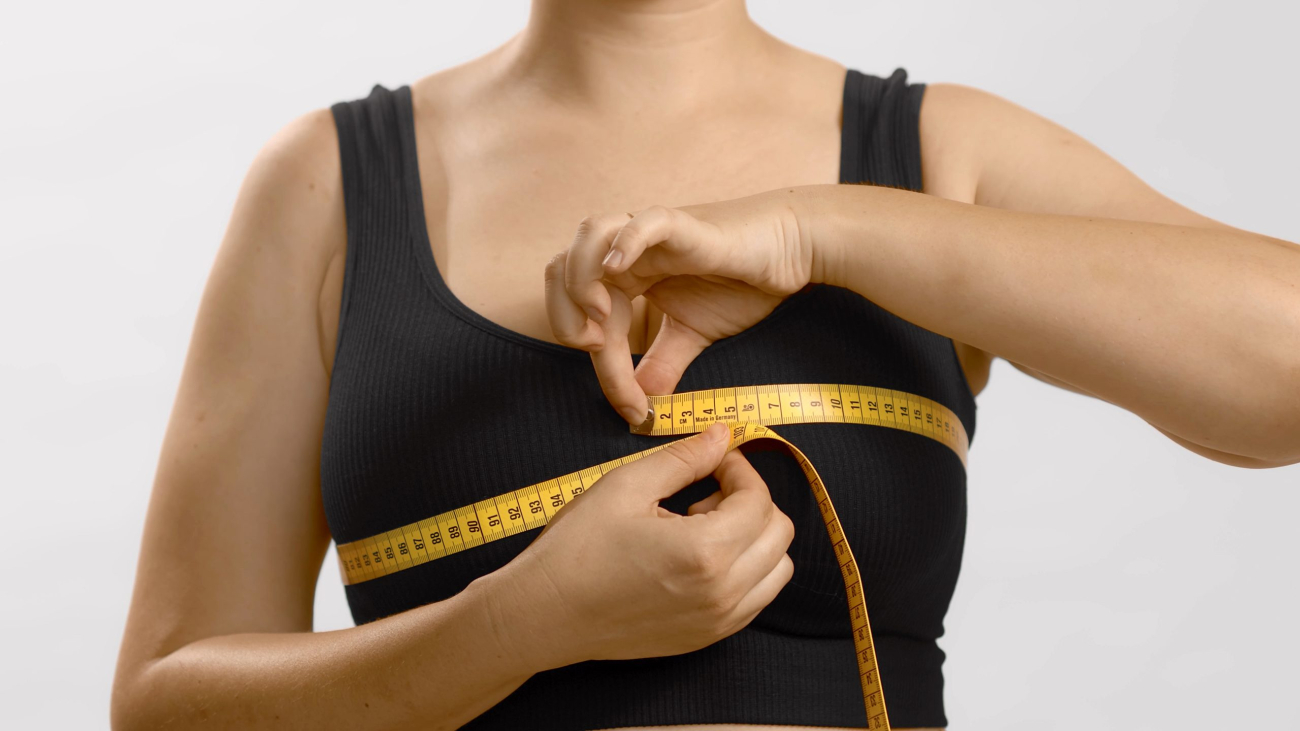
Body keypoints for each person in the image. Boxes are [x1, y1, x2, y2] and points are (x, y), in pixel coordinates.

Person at [111, 1, 1300, 730]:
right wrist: (516, 623)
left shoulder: (933, 152)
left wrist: (821, 231)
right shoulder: (325, 190)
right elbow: (165, 707)